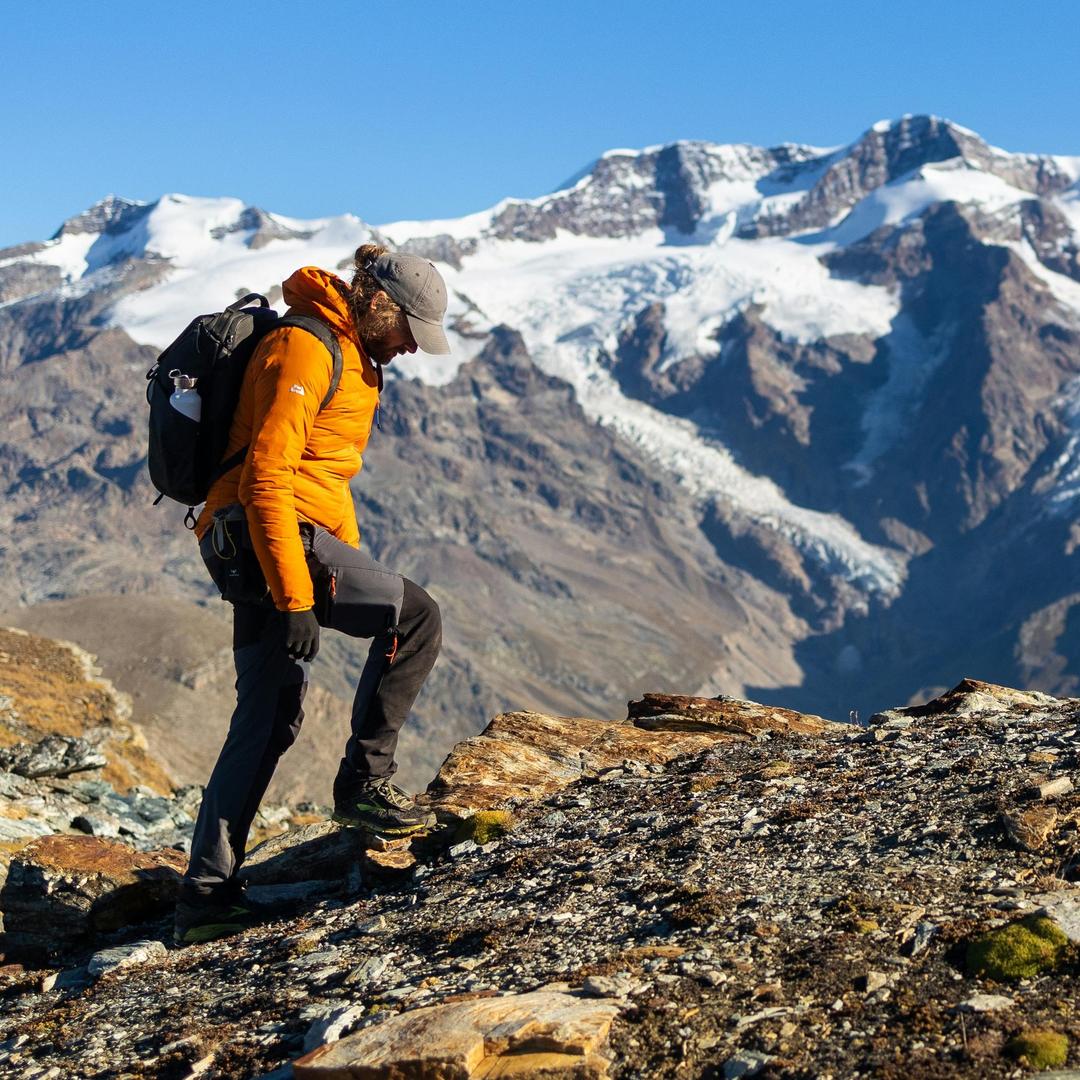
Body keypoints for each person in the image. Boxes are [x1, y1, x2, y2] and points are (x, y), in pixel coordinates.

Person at [173, 245, 450, 946]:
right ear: (380, 305)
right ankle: (364, 785)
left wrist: (344, 562)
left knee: (267, 717)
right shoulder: (304, 346)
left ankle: (205, 898)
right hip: (265, 537)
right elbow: (267, 477)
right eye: (410, 331)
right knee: (417, 618)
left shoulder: (356, 353)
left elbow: (325, 480)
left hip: (267, 541)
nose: (411, 349)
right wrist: (297, 597)